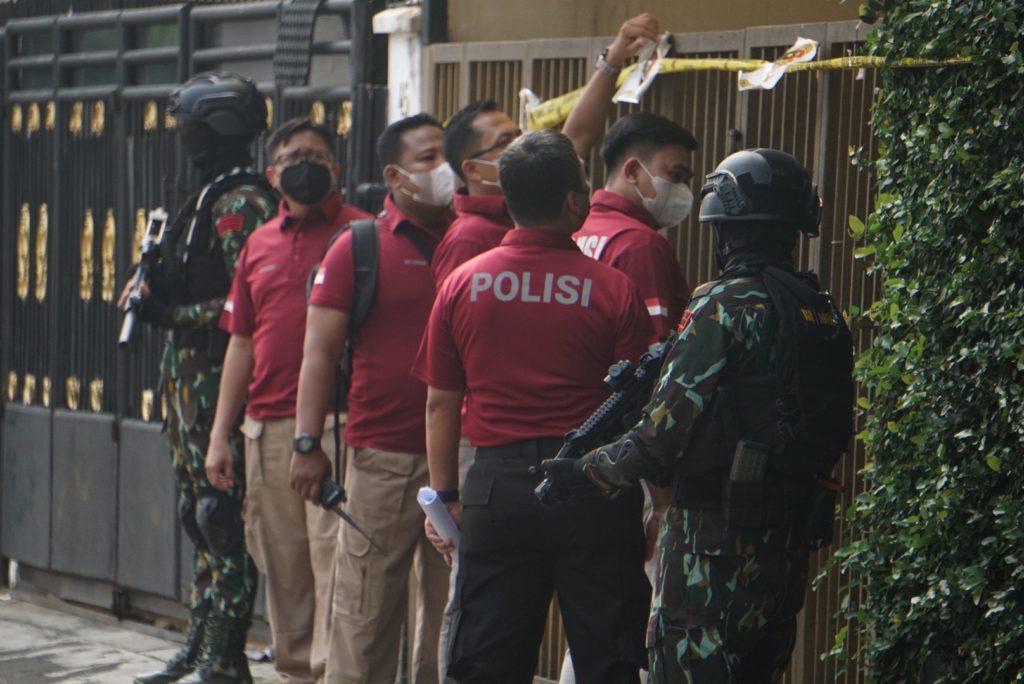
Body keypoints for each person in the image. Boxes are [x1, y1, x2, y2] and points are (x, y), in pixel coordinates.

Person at [543, 149, 854, 683]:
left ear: (725, 226)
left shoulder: (723, 305)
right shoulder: (818, 307)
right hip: (784, 548)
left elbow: (658, 439)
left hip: (711, 556)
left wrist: (584, 471)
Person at [416, 130, 654, 683]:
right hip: (595, 490)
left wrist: (446, 495)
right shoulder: (614, 290)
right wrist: (656, 505)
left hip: (496, 490)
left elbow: (439, 404)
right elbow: (638, 412)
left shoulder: (461, 285)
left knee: (486, 661)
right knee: (609, 657)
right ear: (575, 200)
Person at [205, 117, 372, 683]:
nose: (307, 164)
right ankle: (297, 673)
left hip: (337, 427)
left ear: (336, 169)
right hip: (265, 430)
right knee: (284, 565)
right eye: (294, 156)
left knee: (336, 560)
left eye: (318, 156)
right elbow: (241, 343)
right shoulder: (257, 243)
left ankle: (334, 674)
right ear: (273, 175)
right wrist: (219, 435)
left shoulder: (363, 235)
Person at [124, 72, 277, 684]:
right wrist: (150, 288)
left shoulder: (241, 202)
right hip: (189, 381)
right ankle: (201, 640)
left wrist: (171, 313)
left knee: (222, 513)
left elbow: (252, 302)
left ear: (215, 129)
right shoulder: (206, 195)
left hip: (220, 381)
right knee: (199, 512)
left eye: (188, 126)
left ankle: (227, 651)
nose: (182, 138)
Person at [291, 113, 454, 684]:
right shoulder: (359, 247)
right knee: (363, 616)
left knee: (448, 622)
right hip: (382, 460)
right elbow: (318, 353)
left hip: (458, 466)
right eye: (428, 158)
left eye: (446, 156)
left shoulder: (473, 240)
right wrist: (307, 443)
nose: (444, 169)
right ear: (394, 174)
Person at [562, 12, 696, 342]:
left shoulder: (577, 225)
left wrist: (613, 60)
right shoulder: (640, 245)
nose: (681, 189)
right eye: (675, 174)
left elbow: (570, 143)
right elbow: (652, 350)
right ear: (633, 171)